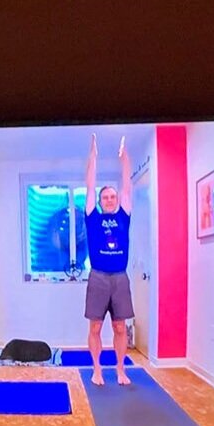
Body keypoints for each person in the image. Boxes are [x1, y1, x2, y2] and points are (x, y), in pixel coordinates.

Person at [82, 133, 134, 386]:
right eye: (106, 197)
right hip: (99, 277)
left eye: (112, 197)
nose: (110, 199)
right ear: (100, 202)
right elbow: (90, 185)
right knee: (94, 328)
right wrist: (93, 156)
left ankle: (121, 369)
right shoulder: (93, 216)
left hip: (120, 278)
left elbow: (127, 185)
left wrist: (125, 159)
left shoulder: (124, 215)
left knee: (120, 328)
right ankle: (97, 370)